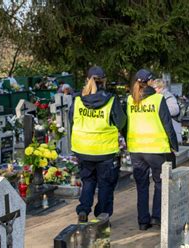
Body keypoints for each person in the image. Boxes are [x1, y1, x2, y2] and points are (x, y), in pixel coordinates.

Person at [69, 66, 126, 223]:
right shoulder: (111, 100)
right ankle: (102, 214)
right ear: (104, 81)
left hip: (83, 149)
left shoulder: (78, 100)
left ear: (87, 80)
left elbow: (71, 120)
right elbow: (121, 122)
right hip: (105, 151)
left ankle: (83, 210)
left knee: (88, 181)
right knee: (105, 184)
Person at [126, 69, 178, 231]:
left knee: (141, 186)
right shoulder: (157, 99)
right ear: (149, 82)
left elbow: (126, 124)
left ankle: (142, 221)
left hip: (136, 149)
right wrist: (174, 145)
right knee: (159, 183)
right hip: (155, 149)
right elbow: (167, 124)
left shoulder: (130, 100)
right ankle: (156, 217)